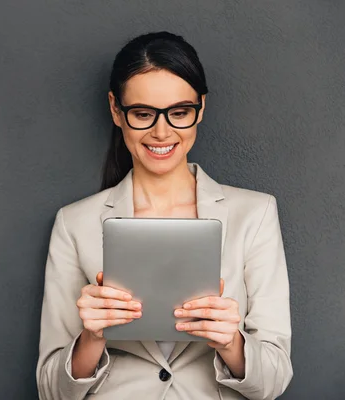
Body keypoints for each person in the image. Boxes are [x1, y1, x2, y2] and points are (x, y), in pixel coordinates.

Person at [36, 31, 292, 400]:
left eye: (179, 113)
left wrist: (230, 343)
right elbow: (50, 390)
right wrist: (92, 338)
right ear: (115, 109)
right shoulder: (74, 224)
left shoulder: (255, 214)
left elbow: (274, 381)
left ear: (200, 108)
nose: (161, 131)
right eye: (142, 114)